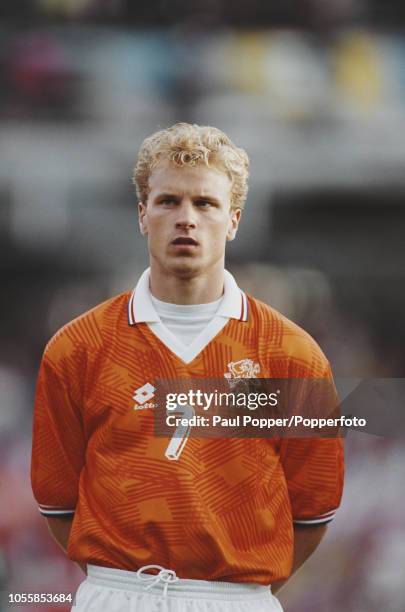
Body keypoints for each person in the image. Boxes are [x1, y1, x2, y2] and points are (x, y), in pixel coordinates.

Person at [31, 123, 344, 611]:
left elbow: (313, 509)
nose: (186, 219)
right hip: (116, 595)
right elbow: (58, 503)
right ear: (142, 215)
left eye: (205, 203)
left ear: (234, 220)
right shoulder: (78, 347)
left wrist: (231, 591)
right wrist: (122, 584)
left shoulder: (292, 354)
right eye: (168, 201)